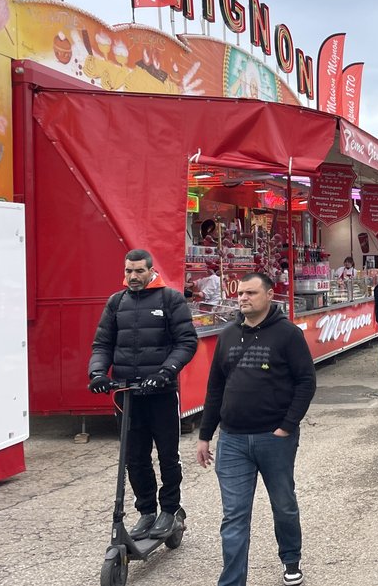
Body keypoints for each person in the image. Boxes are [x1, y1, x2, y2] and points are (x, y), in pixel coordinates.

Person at [195, 273, 317, 586]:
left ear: (269, 295)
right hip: (232, 440)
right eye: (240, 294)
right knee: (234, 516)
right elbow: (215, 387)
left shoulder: (287, 334)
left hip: (274, 439)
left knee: (284, 505)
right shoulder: (227, 334)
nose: (243, 298)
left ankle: (291, 559)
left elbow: (306, 381)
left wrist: (287, 426)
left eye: (251, 292)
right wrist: (205, 435)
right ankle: (232, 581)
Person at [88, 249, 198, 541]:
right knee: (134, 458)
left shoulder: (170, 299)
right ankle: (147, 511)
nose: (133, 277)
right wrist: (98, 373)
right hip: (127, 393)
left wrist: (166, 371)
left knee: (167, 456)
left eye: (139, 271)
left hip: (161, 393)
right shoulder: (116, 302)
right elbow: (102, 344)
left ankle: (170, 510)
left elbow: (186, 342)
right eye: (128, 271)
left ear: (151, 271)